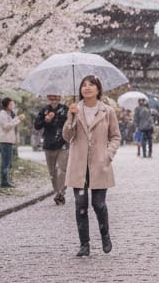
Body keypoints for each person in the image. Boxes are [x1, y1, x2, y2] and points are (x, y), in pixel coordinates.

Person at [62, 74, 121, 257]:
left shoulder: (107, 111)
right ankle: (84, 244)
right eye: (84, 85)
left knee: (99, 204)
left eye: (91, 85)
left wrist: (108, 154)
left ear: (98, 89)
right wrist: (71, 118)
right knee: (80, 204)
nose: (87, 88)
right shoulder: (74, 109)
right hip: (79, 164)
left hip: (99, 163)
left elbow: (116, 136)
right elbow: (67, 136)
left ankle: (105, 235)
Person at [33, 93, 69, 204]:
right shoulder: (44, 110)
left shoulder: (66, 109)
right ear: (48, 98)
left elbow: (72, 123)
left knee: (62, 170)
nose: (54, 99)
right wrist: (46, 120)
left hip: (63, 143)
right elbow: (37, 125)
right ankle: (57, 192)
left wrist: (73, 114)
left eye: (56, 97)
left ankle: (61, 192)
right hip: (48, 144)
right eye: (51, 97)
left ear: (60, 97)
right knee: (52, 172)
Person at [0, 96, 21, 190]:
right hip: (4, 141)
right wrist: (16, 121)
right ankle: (4, 183)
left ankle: (6, 181)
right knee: (5, 162)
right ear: (6, 105)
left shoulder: (9, 113)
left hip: (8, 141)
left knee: (8, 162)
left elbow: (10, 123)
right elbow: (6, 127)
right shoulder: (2, 114)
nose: (12, 105)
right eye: (11, 104)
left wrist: (16, 118)